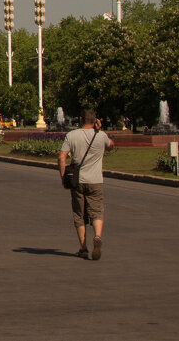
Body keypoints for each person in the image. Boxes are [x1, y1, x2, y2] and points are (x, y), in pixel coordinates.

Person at [59, 108, 115, 260]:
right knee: (96, 210)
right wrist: (100, 130)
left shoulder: (71, 135)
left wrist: (63, 176)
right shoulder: (101, 136)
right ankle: (97, 235)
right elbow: (111, 145)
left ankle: (83, 247)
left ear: (81, 119)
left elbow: (62, 156)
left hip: (77, 181)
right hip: (96, 180)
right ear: (95, 120)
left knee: (79, 214)